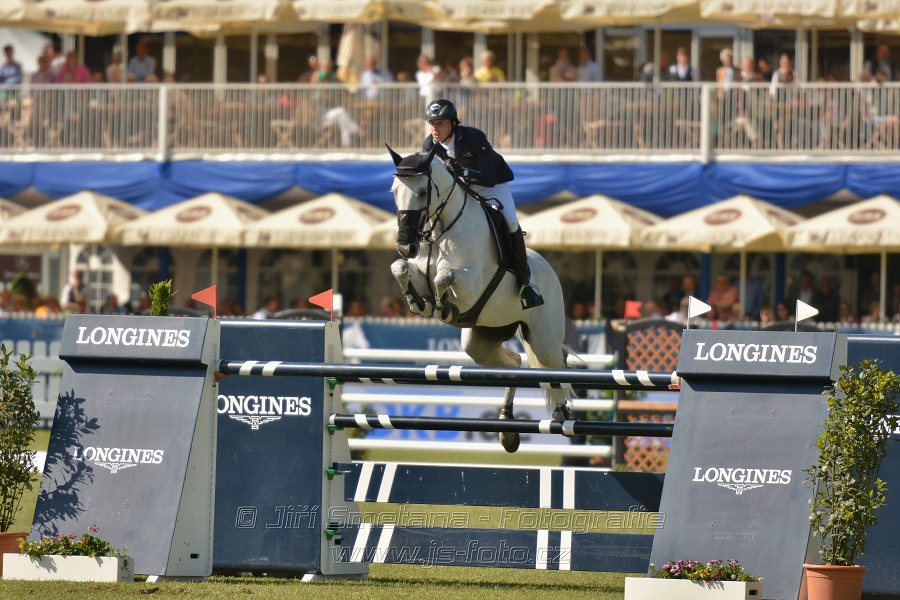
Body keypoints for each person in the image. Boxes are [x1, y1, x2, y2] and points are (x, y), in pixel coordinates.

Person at [420, 98, 543, 309]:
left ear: (453, 123)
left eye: (440, 123)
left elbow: (489, 176)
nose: (435, 128)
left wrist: (463, 172)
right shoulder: (429, 145)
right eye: (432, 123)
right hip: (459, 188)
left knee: (511, 222)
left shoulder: (474, 137)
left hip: (491, 185)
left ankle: (525, 283)